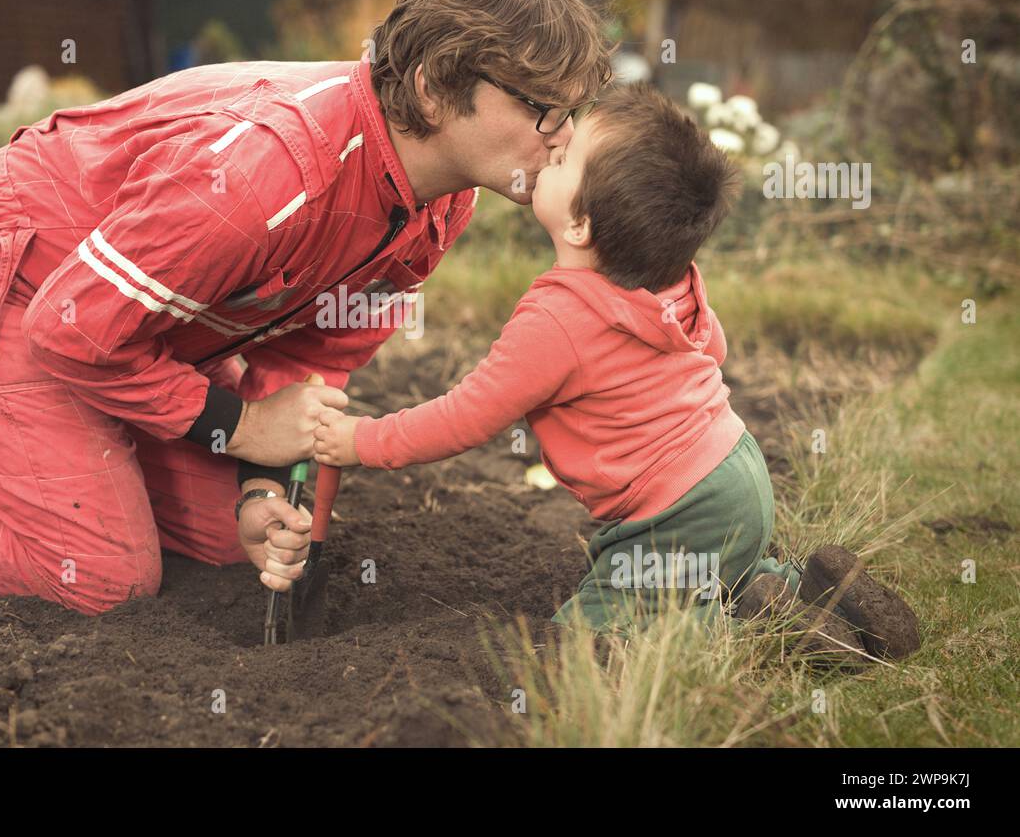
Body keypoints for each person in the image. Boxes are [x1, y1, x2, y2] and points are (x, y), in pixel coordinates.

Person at [0, 0, 612, 616]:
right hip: (15, 277)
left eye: (570, 112)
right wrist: (237, 425)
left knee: (229, 545)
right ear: (430, 89)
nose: (562, 136)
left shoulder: (437, 202)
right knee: (102, 574)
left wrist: (265, 486)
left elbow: (314, 359)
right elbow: (71, 330)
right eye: (541, 108)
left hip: (136, 322)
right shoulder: (268, 178)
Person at [313, 84, 920, 659]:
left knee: (588, 638)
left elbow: (466, 416)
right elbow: (715, 350)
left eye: (565, 159)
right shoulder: (670, 280)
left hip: (680, 509)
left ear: (580, 224)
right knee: (713, 572)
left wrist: (362, 441)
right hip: (737, 471)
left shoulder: (558, 320)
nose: (553, 146)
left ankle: (756, 632)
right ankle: (803, 595)